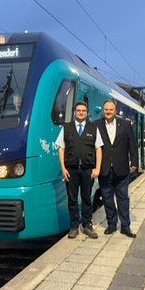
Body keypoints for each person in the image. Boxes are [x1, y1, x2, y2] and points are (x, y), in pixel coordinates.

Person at [56, 101, 103, 239]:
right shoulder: (66, 128)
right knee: (72, 200)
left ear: (87, 112)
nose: (81, 112)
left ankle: (87, 225)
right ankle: (74, 227)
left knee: (87, 198)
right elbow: (61, 148)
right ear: (75, 112)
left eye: (83, 110)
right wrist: (63, 168)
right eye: (78, 110)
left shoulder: (93, 128)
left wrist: (97, 168)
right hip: (71, 170)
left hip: (88, 170)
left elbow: (98, 149)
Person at [95, 99, 138, 238]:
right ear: (103, 110)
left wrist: (135, 162)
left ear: (115, 111)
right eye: (106, 109)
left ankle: (125, 226)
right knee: (107, 199)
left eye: (111, 110)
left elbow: (132, 144)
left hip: (122, 168)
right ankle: (111, 224)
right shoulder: (96, 125)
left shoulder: (125, 124)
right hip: (104, 169)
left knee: (123, 198)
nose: (108, 112)